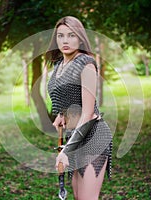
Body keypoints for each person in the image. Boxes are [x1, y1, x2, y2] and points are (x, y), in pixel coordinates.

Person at [45, 16, 112, 200]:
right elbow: (65, 96)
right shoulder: (59, 64)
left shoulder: (86, 64)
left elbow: (88, 113)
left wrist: (65, 152)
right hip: (73, 137)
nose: (65, 40)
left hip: (93, 135)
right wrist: (60, 114)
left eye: (71, 35)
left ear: (80, 38)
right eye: (60, 36)